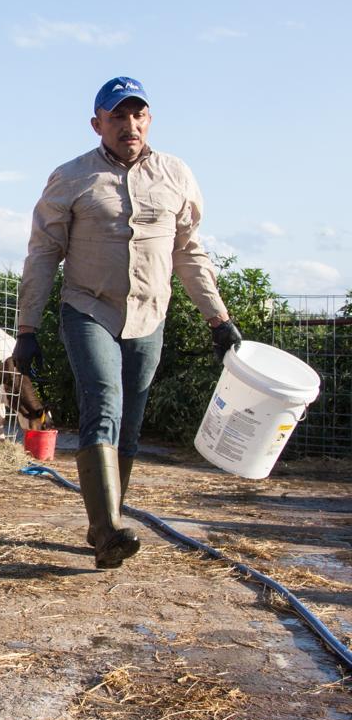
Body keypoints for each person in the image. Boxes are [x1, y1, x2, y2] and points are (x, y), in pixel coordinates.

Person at [13, 76, 241, 570]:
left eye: (137, 115)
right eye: (118, 116)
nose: (129, 125)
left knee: (130, 424)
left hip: (149, 314)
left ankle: (109, 519)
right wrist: (26, 329)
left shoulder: (176, 174)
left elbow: (189, 253)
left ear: (149, 120)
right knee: (104, 404)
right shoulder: (71, 177)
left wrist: (218, 321)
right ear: (97, 124)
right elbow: (42, 255)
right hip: (88, 309)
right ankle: (107, 530)